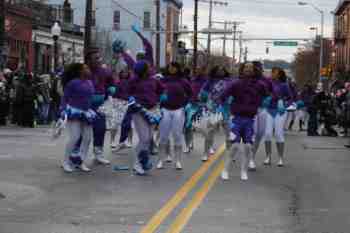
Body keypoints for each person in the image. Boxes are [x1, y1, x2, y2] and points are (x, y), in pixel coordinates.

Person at [220, 62, 267, 181]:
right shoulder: (235, 83)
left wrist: (267, 102)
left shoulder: (260, 85)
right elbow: (223, 95)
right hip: (236, 118)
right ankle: (225, 170)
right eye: (246, 67)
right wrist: (224, 105)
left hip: (250, 119)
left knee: (248, 147)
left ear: (254, 70)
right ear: (242, 69)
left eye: (251, 68)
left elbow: (268, 96)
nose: (248, 69)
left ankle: (243, 171)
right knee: (234, 145)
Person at [79, 48, 117, 165]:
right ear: (88, 61)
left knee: (100, 129)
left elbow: (112, 81)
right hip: (85, 105)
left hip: (100, 105)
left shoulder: (104, 71)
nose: (99, 60)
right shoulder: (82, 71)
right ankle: (76, 154)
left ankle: (98, 153)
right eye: (96, 58)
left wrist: (112, 87)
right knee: (83, 132)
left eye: (100, 58)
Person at [127, 60, 165, 175]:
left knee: (148, 139)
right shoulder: (133, 80)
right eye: (148, 67)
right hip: (139, 111)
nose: (150, 68)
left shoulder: (154, 80)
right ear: (142, 70)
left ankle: (143, 161)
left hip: (152, 110)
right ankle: (137, 164)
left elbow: (161, 89)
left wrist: (162, 96)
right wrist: (130, 98)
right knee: (144, 138)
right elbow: (126, 92)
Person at [60, 63, 96, 173]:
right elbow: (65, 97)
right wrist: (63, 110)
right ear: (80, 71)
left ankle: (80, 161)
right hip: (74, 112)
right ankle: (65, 161)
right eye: (86, 68)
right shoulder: (73, 83)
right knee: (74, 137)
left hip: (86, 113)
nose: (88, 69)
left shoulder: (90, 82)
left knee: (88, 138)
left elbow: (90, 98)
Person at [156, 62, 193, 170]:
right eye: (170, 67)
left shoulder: (183, 81)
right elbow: (155, 92)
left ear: (178, 68)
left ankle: (178, 161)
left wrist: (188, 104)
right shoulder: (162, 80)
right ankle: (160, 160)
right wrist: (159, 98)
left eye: (174, 67)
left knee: (177, 135)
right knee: (163, 136)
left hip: (178, 110)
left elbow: (191, 94)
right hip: (165, 110)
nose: (172, 69)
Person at [263, 68, 293, 167]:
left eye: (274, 72)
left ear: (279, 74)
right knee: (267, 134)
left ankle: (280, 158)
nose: (272, 74)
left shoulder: (284, 85)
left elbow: (290, 98)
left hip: (280, 112)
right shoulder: (268, 83)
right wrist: (265, 99)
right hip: (269, 110)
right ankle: (268, 157)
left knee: (278, 134)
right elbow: (262, 94)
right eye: (272, 72)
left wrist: (284, 104)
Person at [250, 61, 273, 171]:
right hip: (250, 109)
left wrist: (270, 99)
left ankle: (252, 156)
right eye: (253, 68)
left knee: (259, 134)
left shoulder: (266, 81)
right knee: (253, 134)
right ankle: (251, 160)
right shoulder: (243, 80)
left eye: (258, 68)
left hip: (262, 110)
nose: (255, 70)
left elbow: (273, 93)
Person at [184, 66, 208, 153]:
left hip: (202, 106)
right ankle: (189, 144)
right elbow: (188, 92)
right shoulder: (192, 80)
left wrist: (204, 99)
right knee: (188, 126)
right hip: (191, 105)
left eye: (200, 70)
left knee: (204, 127)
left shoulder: (206, 81)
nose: (197, 71)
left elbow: (209, 94)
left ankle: (209, 146)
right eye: (196, 69)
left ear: (204, 71)